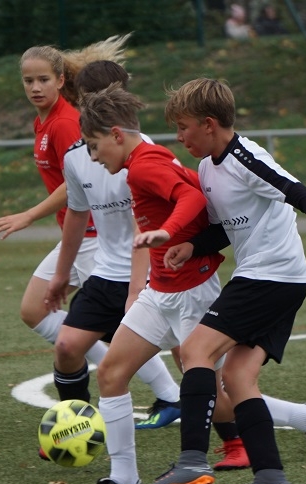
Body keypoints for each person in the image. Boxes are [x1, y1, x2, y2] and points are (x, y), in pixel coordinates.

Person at [138, 78, 306, 484]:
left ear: (209, 124)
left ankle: (191, 461)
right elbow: (224, 229)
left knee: (194, 351)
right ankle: (270, 480)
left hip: (271, 277)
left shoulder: (246, 158)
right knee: (237, 378)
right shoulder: (208, 167)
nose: (179, 137)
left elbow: (305, 196)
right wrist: (193, 246)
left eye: (183, 127)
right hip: (273, 279)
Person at [64, 84, 226, 484]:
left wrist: (168, 232)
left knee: (227, 397)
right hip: (162, 291)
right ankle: (123, 481)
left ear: (117, 135)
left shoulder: (142, 166)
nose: (93, 157)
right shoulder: (143, 161)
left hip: (192, 292)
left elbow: (191, 196)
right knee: (111, 372)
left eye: (95, 146)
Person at [0, 36, 130, 415]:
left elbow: (76, 182)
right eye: (28, 80)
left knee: (127, 326)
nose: (35, 87)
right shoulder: (44, 121)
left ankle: (167, 394)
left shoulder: (66, 123)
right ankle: (145, 388)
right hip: (76, 232)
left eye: (43, 80)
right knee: (39, 313)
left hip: (94, 235)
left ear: (61, 80)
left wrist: (29, 215)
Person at [42, 60, 181, 429]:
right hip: (107, 274)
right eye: (90, 100)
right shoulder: (78, 156)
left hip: (154, 277)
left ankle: (230, 433)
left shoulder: (145, 154)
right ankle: (75, 426)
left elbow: (145, 226)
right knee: (67, 347)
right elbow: (76, 215)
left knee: (193, 360)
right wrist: (60, 275)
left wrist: (136, 291)